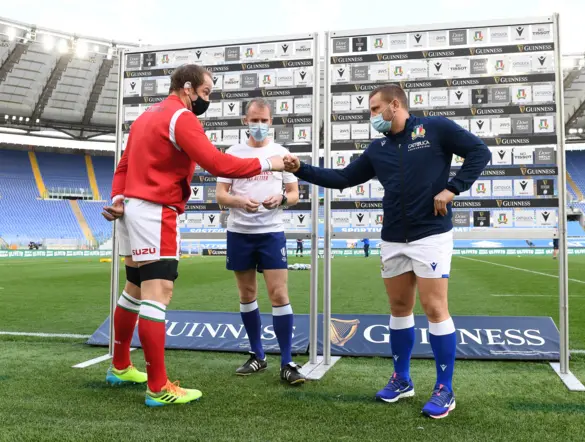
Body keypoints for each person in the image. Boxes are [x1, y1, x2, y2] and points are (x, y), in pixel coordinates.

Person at [284, 84, 490, 418]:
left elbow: (480, 152)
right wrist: (300, 169)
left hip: (431, 233)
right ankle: (402, 380)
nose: (373, 116)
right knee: (398, 308)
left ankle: (444, 389)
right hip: (393, 237)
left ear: (395, 105)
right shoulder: (378, 148)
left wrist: (453, 188)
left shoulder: (434, 128)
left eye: (375, 109)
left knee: (435, 308)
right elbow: (342, 178)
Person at [100, 65, 285, 407]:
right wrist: (269, 164)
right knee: (159, 293)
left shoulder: (145, 117)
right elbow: (219, 164)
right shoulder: (181, 118)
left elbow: (123, 165)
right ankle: (158, 388)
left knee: (133, 289)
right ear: (188, 88)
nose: (208, 99)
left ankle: (121, 365)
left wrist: (117, 198)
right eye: (206, 92)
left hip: (131, 208)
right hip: (156, 211)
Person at [215, 98, 305, 385]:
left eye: (264, 120)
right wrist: (240, 201)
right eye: (254, 120)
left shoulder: (281, 154)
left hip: (271, 231)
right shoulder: (232, 153)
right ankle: (257, 355)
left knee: (279, 294)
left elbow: (294, 194)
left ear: (271, 122)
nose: (259, 125)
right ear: (245, 121)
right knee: (246, 294)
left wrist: (281, 199)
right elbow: (221, 195)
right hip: (240, 231)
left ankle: (287, 361)